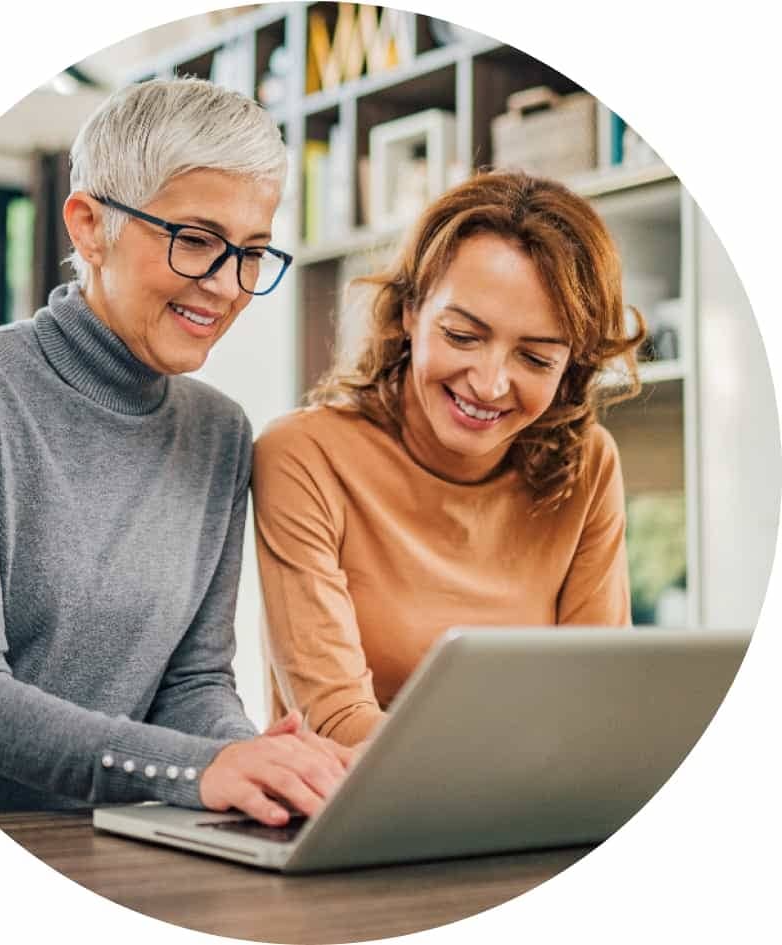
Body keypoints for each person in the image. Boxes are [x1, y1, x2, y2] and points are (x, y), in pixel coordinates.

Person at [0, 76, 351, 826]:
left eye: (251, 252)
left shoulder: (221, 432)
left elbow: (193, 682)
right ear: (90, 226)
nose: (226, 286)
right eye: (196, 240)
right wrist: (201, 766)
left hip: (116, 840)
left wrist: (261, 763)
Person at [252, 169, 645, 746]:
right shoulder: (304, 456)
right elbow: (334, 720)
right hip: (352, 810)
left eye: (535, 359)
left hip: (525, 806)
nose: (489, 384)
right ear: (410, 310)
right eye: (463, 336)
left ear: (573, 366)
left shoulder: (588, 466)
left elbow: (594, 697)